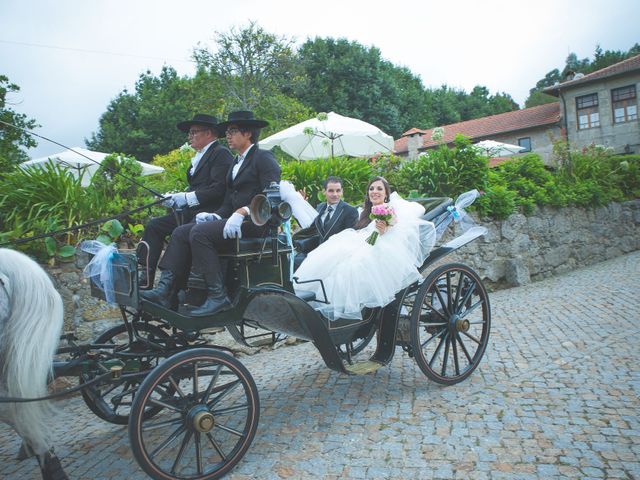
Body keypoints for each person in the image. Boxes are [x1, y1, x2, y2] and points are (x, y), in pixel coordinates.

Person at [141, 111, 281, 315]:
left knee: (199, 233)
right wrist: (216, 215)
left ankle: (218, 296)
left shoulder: (263, 157)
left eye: (232, 131)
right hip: (233, 220)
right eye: (228, 132)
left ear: (248, 133)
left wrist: (242, 212)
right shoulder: (236, 162)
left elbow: (272, 199)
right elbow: (227, 200)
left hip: (256, 224)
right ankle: (165, 291)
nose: (228, 136)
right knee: (182, 232)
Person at [293, 176, 436, 321]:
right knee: (328, 256)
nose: (375, 191)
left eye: (379, 189)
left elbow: (383, 236)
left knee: (350, 266)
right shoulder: (366, 212)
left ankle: (340, 309)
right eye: (371, 189)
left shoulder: (389, 211)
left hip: (381, 247)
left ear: (386, 193)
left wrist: (382, 230)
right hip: (364, 240)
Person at [137, 114, 233, 289]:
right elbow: (196, 186)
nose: (189, 137)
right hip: (189, 211)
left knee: (180, 232)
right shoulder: (198, 157)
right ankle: (146, 275)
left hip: (208, 213)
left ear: (209, 134)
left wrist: (186, 198)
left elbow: (218, 189)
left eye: (193, 132)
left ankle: (170, 285)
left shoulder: (221, 154)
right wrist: (175, 198)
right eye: (190, 133)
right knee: (154, 226)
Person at [294, 176, 358, 269]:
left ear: (342, 191)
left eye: (338, 190)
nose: (335, 194)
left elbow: (349, 240)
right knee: (291, 262)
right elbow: (308, 226)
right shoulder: (320, 207)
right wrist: (301, 206)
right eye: (331, 191)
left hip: (335, 256)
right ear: (324, 192)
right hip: (316, 251)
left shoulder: (350, 211)